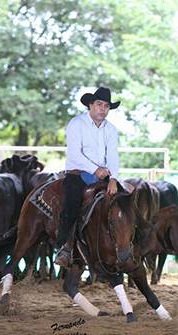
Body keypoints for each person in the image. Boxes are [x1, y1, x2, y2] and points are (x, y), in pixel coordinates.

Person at [54, 86, 121, 267]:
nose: (103, 109)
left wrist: (113, 177)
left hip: (104, 175)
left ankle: (121, 248)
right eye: (99, 104)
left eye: (106, 106)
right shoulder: (76, 124)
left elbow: (113, 155)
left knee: (123, 200)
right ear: (90, 105)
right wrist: (95, 169)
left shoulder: (111, 130)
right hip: (78, 173)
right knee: (72, 203)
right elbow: (75, 154)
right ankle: (65, 247)